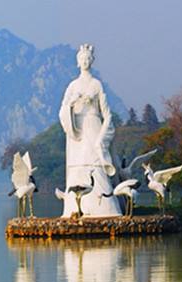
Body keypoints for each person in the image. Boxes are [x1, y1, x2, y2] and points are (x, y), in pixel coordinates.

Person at [59, 43, 120, 217]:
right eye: (82, 59)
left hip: (93, 127)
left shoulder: (96, 85)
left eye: (87, 58)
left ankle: (104, 208)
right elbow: (63, 110)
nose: (85, 61)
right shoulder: (72, 86)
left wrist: (102, 139)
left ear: (91, 61)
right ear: (78, 62)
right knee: (78, 166)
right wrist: (72, 104)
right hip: (77, 132)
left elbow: (107, 114)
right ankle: (73, 208)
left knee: (96, 164)